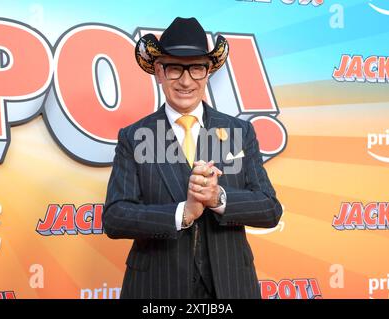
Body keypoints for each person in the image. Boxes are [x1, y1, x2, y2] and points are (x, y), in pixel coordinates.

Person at [102, 17, 283, 299]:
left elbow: (270, 209)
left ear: (208, 72)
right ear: (159, 72)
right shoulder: (133, 136)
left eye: (196, 68)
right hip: (156, 290)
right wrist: (181, 214)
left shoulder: (239, 131)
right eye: (174, 68)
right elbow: (115, 218)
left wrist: (218, 198)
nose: (186, 81)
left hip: (231, 287)